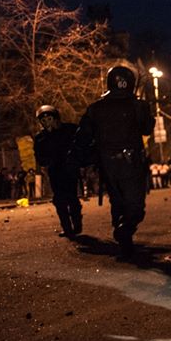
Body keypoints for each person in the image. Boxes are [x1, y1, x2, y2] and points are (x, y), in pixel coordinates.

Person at [71, 65, 154, 256]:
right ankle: (125, 231)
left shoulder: (96, 108)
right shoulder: (137, 106)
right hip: (131, 163)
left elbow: (82, 137)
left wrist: (76, 158)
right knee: (135, 205)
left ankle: (123, 234)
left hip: (107, 164)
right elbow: (147, 129)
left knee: (118, 202)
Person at [33, 105, 82, 237]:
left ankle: (77, 223)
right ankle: (67, 228)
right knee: (59, 200)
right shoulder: (40, 138)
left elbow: (82, 142)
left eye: (49, 119)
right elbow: (39, 157)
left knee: (72, 197)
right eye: (43, 121)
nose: (47, 122)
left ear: (56, 118)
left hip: (70, 169)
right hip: (55, 172)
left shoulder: (69, 130)